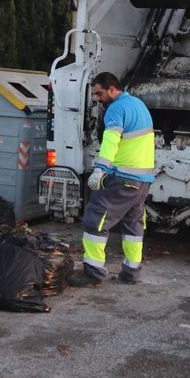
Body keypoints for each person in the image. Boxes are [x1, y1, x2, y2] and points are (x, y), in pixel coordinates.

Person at [69, 72, 155, 287]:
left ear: (112, 89)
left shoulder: (116, 109)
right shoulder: (138, 104)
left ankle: (93, 273)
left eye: (99, 93)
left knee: (95, 220)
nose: (97, 98)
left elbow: (110, 141)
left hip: (123, 178)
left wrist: (100, 169)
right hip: (142, 179)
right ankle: (131, 273)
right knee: (133, 225)